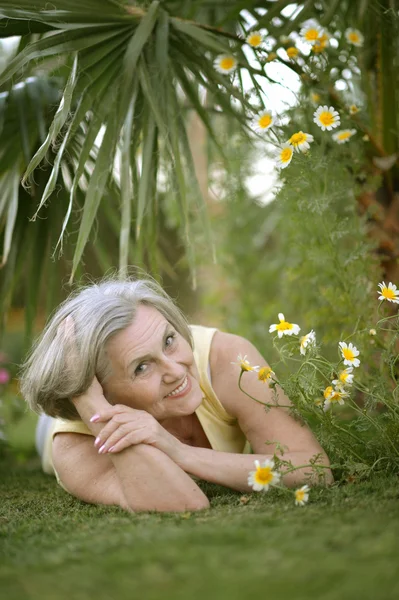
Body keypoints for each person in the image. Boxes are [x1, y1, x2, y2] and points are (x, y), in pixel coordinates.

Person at [21, 276, 332, 513]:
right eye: (141, 367)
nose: (176, 369)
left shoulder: (227, 359)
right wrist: (94, 407)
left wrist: (178, 451)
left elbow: (314, 469)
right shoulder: (74, 445)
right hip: (53, 424)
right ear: (105, 391)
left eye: (169, 339)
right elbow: (185, 504)